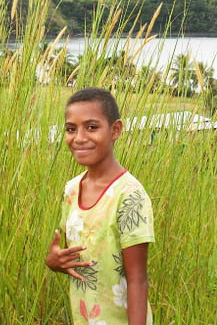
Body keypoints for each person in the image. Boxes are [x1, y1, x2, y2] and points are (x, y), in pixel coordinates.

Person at [45, 87, 155, 324]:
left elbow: (137, 279)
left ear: (115, 130)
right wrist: (53, 262)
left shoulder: (129, 196)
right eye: (71, 129)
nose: (79, 138)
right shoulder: (71, 190)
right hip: (85, 317)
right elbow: (73, 256)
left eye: (92, 127)